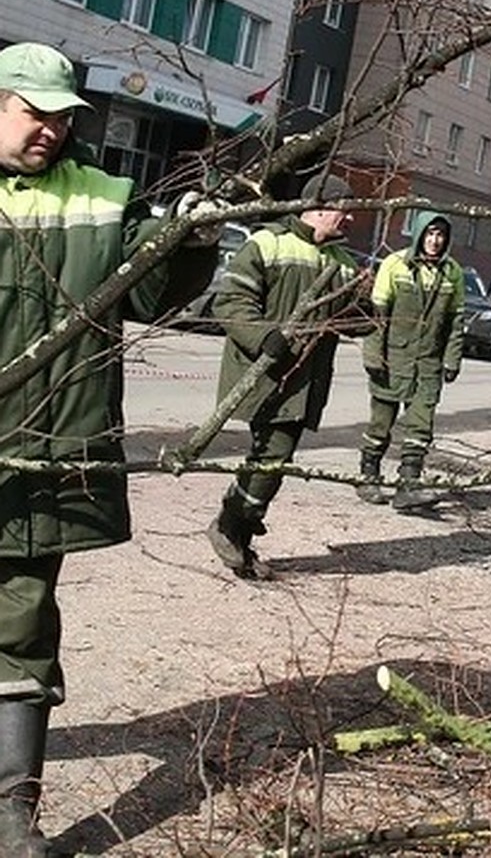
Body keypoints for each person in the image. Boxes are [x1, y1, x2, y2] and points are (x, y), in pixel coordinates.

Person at [0, 42, 218, 856]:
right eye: (35, 112)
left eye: (62, 116)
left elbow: (154, 294)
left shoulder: (104, 198)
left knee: (20, 624)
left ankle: (9, 814)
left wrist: (191, 239)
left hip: (45, 454)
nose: (52, 129)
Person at [205, 173, 360, 580]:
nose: (350, 221)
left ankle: (237, 533)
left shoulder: (342, 263)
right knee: (271, 457)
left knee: (273, 459)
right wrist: (264, 337)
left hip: (305, 383)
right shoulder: (267, 243)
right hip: (264, 375)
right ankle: (230, 528)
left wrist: (372, 312)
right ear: (322, 207)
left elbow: (353, 318)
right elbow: (232, 301)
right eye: (346, 212)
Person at [357, 211, 465, 511]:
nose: (435, 240)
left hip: (428, 364)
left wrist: (452, 359)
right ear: (419, 234)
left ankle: (408, 485)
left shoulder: (452, 272)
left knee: (420, 426)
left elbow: (456, 322)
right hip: (392, 359)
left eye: (441, 235)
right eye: (430, 233)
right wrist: (374, 354)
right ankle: (368, 477)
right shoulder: (395, 264)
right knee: (381, 424)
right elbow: (377, 316)